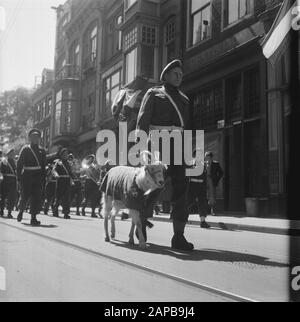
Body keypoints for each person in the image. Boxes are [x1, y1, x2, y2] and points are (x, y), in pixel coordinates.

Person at [136, 59, 194, 251]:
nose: (179, 77)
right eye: (175, 74)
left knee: (182, 190)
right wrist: (142, 147)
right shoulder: (154, 94)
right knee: (153, 187)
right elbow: (142, 120)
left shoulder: (184, 99)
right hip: (158, 144)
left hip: (179, 146)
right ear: (166, 76)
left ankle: (179, 236)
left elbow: (187, 126)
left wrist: (190, 150)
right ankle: (141, 223)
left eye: (181, 74)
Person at [17, 129, 47, 226]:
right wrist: (19, 177)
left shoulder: (42, 151)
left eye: (37, 137)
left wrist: (44, 178)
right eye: (34, 137)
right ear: (30, 138)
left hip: (38, 176)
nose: (36, 139)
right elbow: (19, 164)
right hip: (27, 176)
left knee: (36, 197)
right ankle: (21, 211)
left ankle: (33, 217)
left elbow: (43, 165)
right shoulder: (26, 149)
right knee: (25, 195)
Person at [188, 150, 210, 229]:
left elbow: (205, 176)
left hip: (201, 187)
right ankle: (183, 218)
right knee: (188, 203)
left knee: (202, 204)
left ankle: (203, 222)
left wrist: (205, 187)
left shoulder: (203, 165)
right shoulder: (190, 164)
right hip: (192, 186)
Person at [52, 147, 74, 219]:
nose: (66, 155)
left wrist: (73, 178)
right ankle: (55, 210)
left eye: (66, 154)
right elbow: (54, 170)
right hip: (60, 180)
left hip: (67, 181)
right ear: (61, 155)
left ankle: (66, 213)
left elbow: (71, 173)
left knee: (67, 197)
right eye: (64, 154)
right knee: (58, 197)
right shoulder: (58, 162)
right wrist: (56, 175)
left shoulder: (69, 164)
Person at [205, 151, 224, 216]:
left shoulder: (216, 164)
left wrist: (216, 180)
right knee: (204, 195)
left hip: (211, 180)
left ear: (211, 157)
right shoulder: (204, 164)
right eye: (206, 157)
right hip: (204, 181)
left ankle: (212, 210)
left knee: (212, 196)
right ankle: (205, 210)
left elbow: (221, 173)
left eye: (208, 157)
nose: (207, 159)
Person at [0, 148, 17, 219]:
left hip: (13, 181)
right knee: (3, 197)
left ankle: (9, 212)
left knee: (12, 197)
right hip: (5, 180)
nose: (13, 155)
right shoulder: (4, 161)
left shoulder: (15, 162)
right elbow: (1, 171)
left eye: (13, 153)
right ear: (8, 154)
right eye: (12, 153)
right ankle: (1, 210)